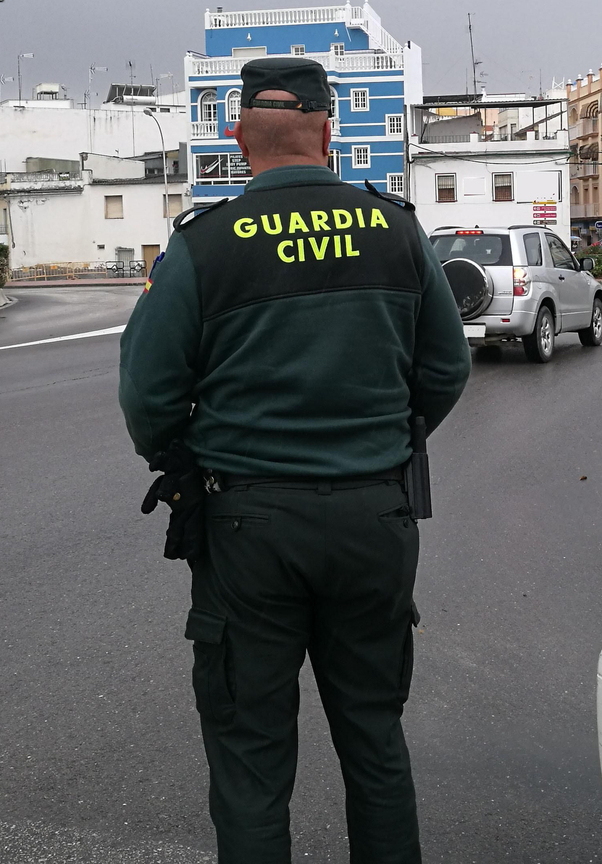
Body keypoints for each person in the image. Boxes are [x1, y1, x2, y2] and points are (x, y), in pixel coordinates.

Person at [118, 56, 472, 864]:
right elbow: (446, 371)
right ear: (328, 131)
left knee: (250, 760)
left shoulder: (204, 247)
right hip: (373, 517)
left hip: (249, 527)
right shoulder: (395, 230)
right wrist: (381, 441)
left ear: (240, 138)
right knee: (375, 741)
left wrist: (185, 455)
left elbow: (147, 394)